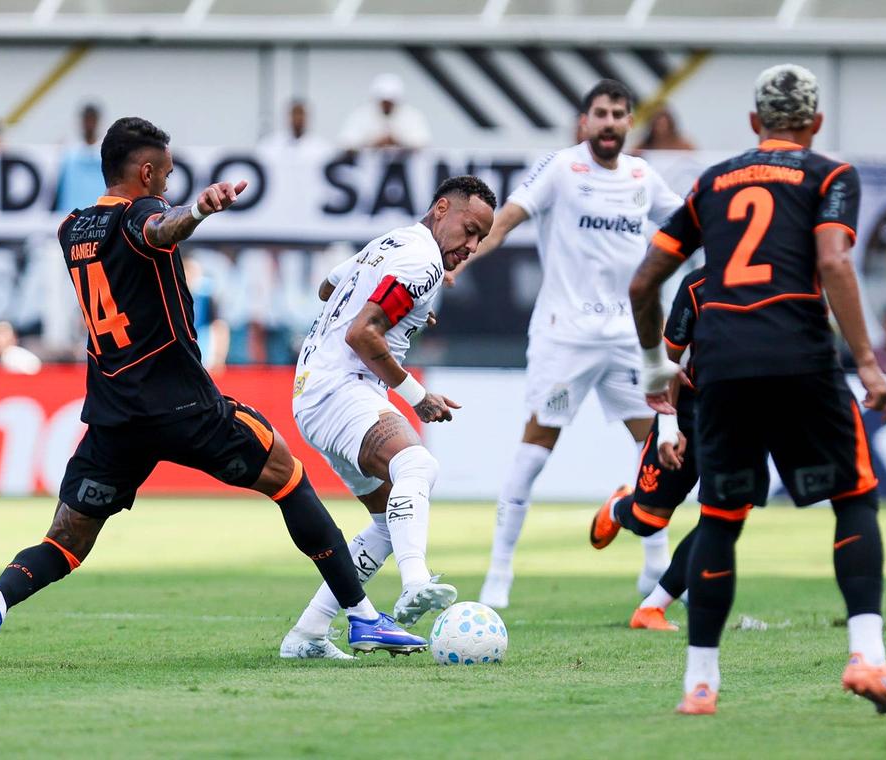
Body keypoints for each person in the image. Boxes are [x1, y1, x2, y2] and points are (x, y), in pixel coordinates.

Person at [0, 116, 424, 669]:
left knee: (66, 541)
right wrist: (197, 210)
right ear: (146, 172)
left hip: (113, 418)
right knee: (288, 477)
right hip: (183, 406)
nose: (169, 185)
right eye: (167, 175)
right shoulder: (143, 214)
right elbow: (159, 229)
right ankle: (364, 617)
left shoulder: (72, 229)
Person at [628, 63, 886, 717]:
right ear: (814, 125)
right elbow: (834, 261)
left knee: (722, 522)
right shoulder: (828, 174)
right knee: (854, 499)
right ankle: (867, 656)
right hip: (801, 356)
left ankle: (700, 685)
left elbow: (644, 283)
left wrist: (654, 370)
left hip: (723, 366)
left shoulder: (714, 181)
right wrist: (868, 364)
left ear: (755, 124)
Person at [456, 79, 683, 610]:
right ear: (585, 122)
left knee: (654, 451)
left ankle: (655, 569)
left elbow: (687, 224)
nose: (609, 123)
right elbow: (506, 219)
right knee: (535, 452)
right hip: (566, 337)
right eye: (600, 114)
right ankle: (500, 572)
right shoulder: (561, 168)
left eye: (619, 114)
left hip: (629, 339)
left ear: (629, 122)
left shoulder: (642, 177)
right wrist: (460, 259)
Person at [281, 175, 495, 658]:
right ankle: (416, 581)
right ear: (442, 208)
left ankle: (309, 634)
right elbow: (363, 334)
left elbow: (326, 286)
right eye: (469, 229)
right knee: (418, 467)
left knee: (385, 521)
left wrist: (404, 308)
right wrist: (418, 395)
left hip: (313, 389)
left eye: (482, 237)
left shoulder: (393, 242)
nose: (473, 245)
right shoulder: (422, 262)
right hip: (340, 387)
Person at [590, 267, 706, 632]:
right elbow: (668, 360)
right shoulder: (699, 286)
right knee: (648, 519)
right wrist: (669, 425)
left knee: (723, 516)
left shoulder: (787, 277)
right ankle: (621, 506)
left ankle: (652, 608)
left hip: (742, 419)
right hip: (690, 412)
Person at [338, 73, 431, 151]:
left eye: (390, 103)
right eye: (383, 102)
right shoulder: (361, 115)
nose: (387, 106)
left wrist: (397, 141)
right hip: (366, 165)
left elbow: (422, 142)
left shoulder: (412, 115)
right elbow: (346, 142)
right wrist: (372, 143)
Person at [55, 103, 106, 212]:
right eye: (86, 119)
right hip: (71, 215)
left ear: (97, 121)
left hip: (98, 216)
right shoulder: (68, 154)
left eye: (92, 119)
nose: (89, 124)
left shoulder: (107, 153)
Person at [258, 99, 330, 162]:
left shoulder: (321, 148)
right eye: (294, 113)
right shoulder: (270, 145)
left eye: (301, 114)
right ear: (288, 116)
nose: (298, 118)